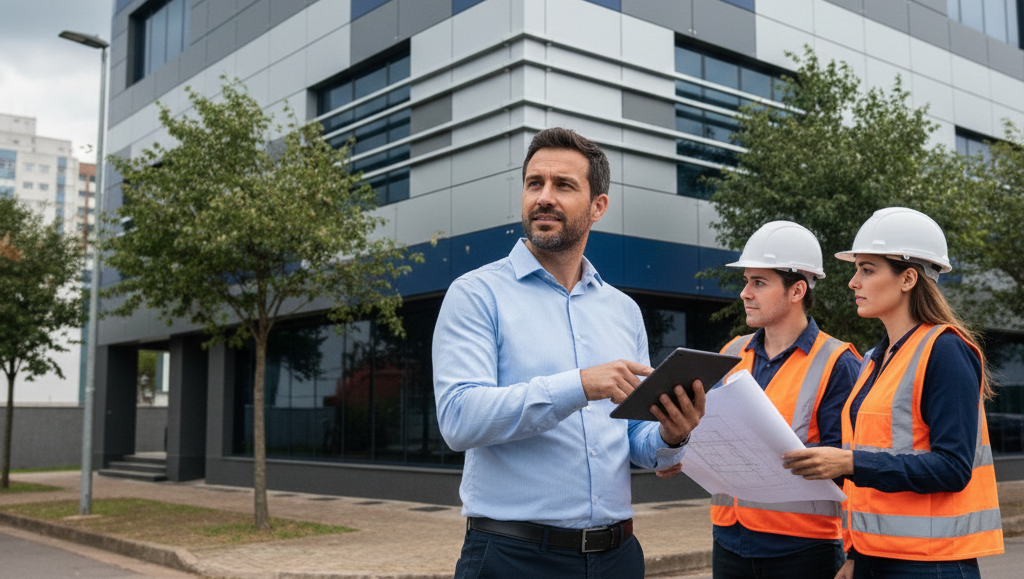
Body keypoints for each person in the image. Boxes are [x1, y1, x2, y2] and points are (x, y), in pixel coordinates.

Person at [432, 127, 706, 579]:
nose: (544, 197)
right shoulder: (476, 294)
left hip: (618, 556)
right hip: (512, 557)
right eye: (534, 183)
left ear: (598, 206)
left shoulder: (623, 310)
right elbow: (459, 420)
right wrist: (578, 385)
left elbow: (635, 438)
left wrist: (671, 437)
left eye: (563, 185)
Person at [782, 207, 1004, 578]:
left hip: (931, 565)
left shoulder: (946, 350)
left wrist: (850, 463)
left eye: (867, 270)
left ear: (908, 279)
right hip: (874, 558)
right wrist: (853, 555)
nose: (854, 282)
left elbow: (953, 467)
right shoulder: (875, 358)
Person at [657, 221, 860, 578]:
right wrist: (680, 452)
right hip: (729, 541)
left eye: (759, 282)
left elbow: (851, 467)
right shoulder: (732, 353)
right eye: (746, 281)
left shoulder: (837, 362)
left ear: (797, 290)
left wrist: (856, 551)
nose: (745, 293)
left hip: (802, 550)